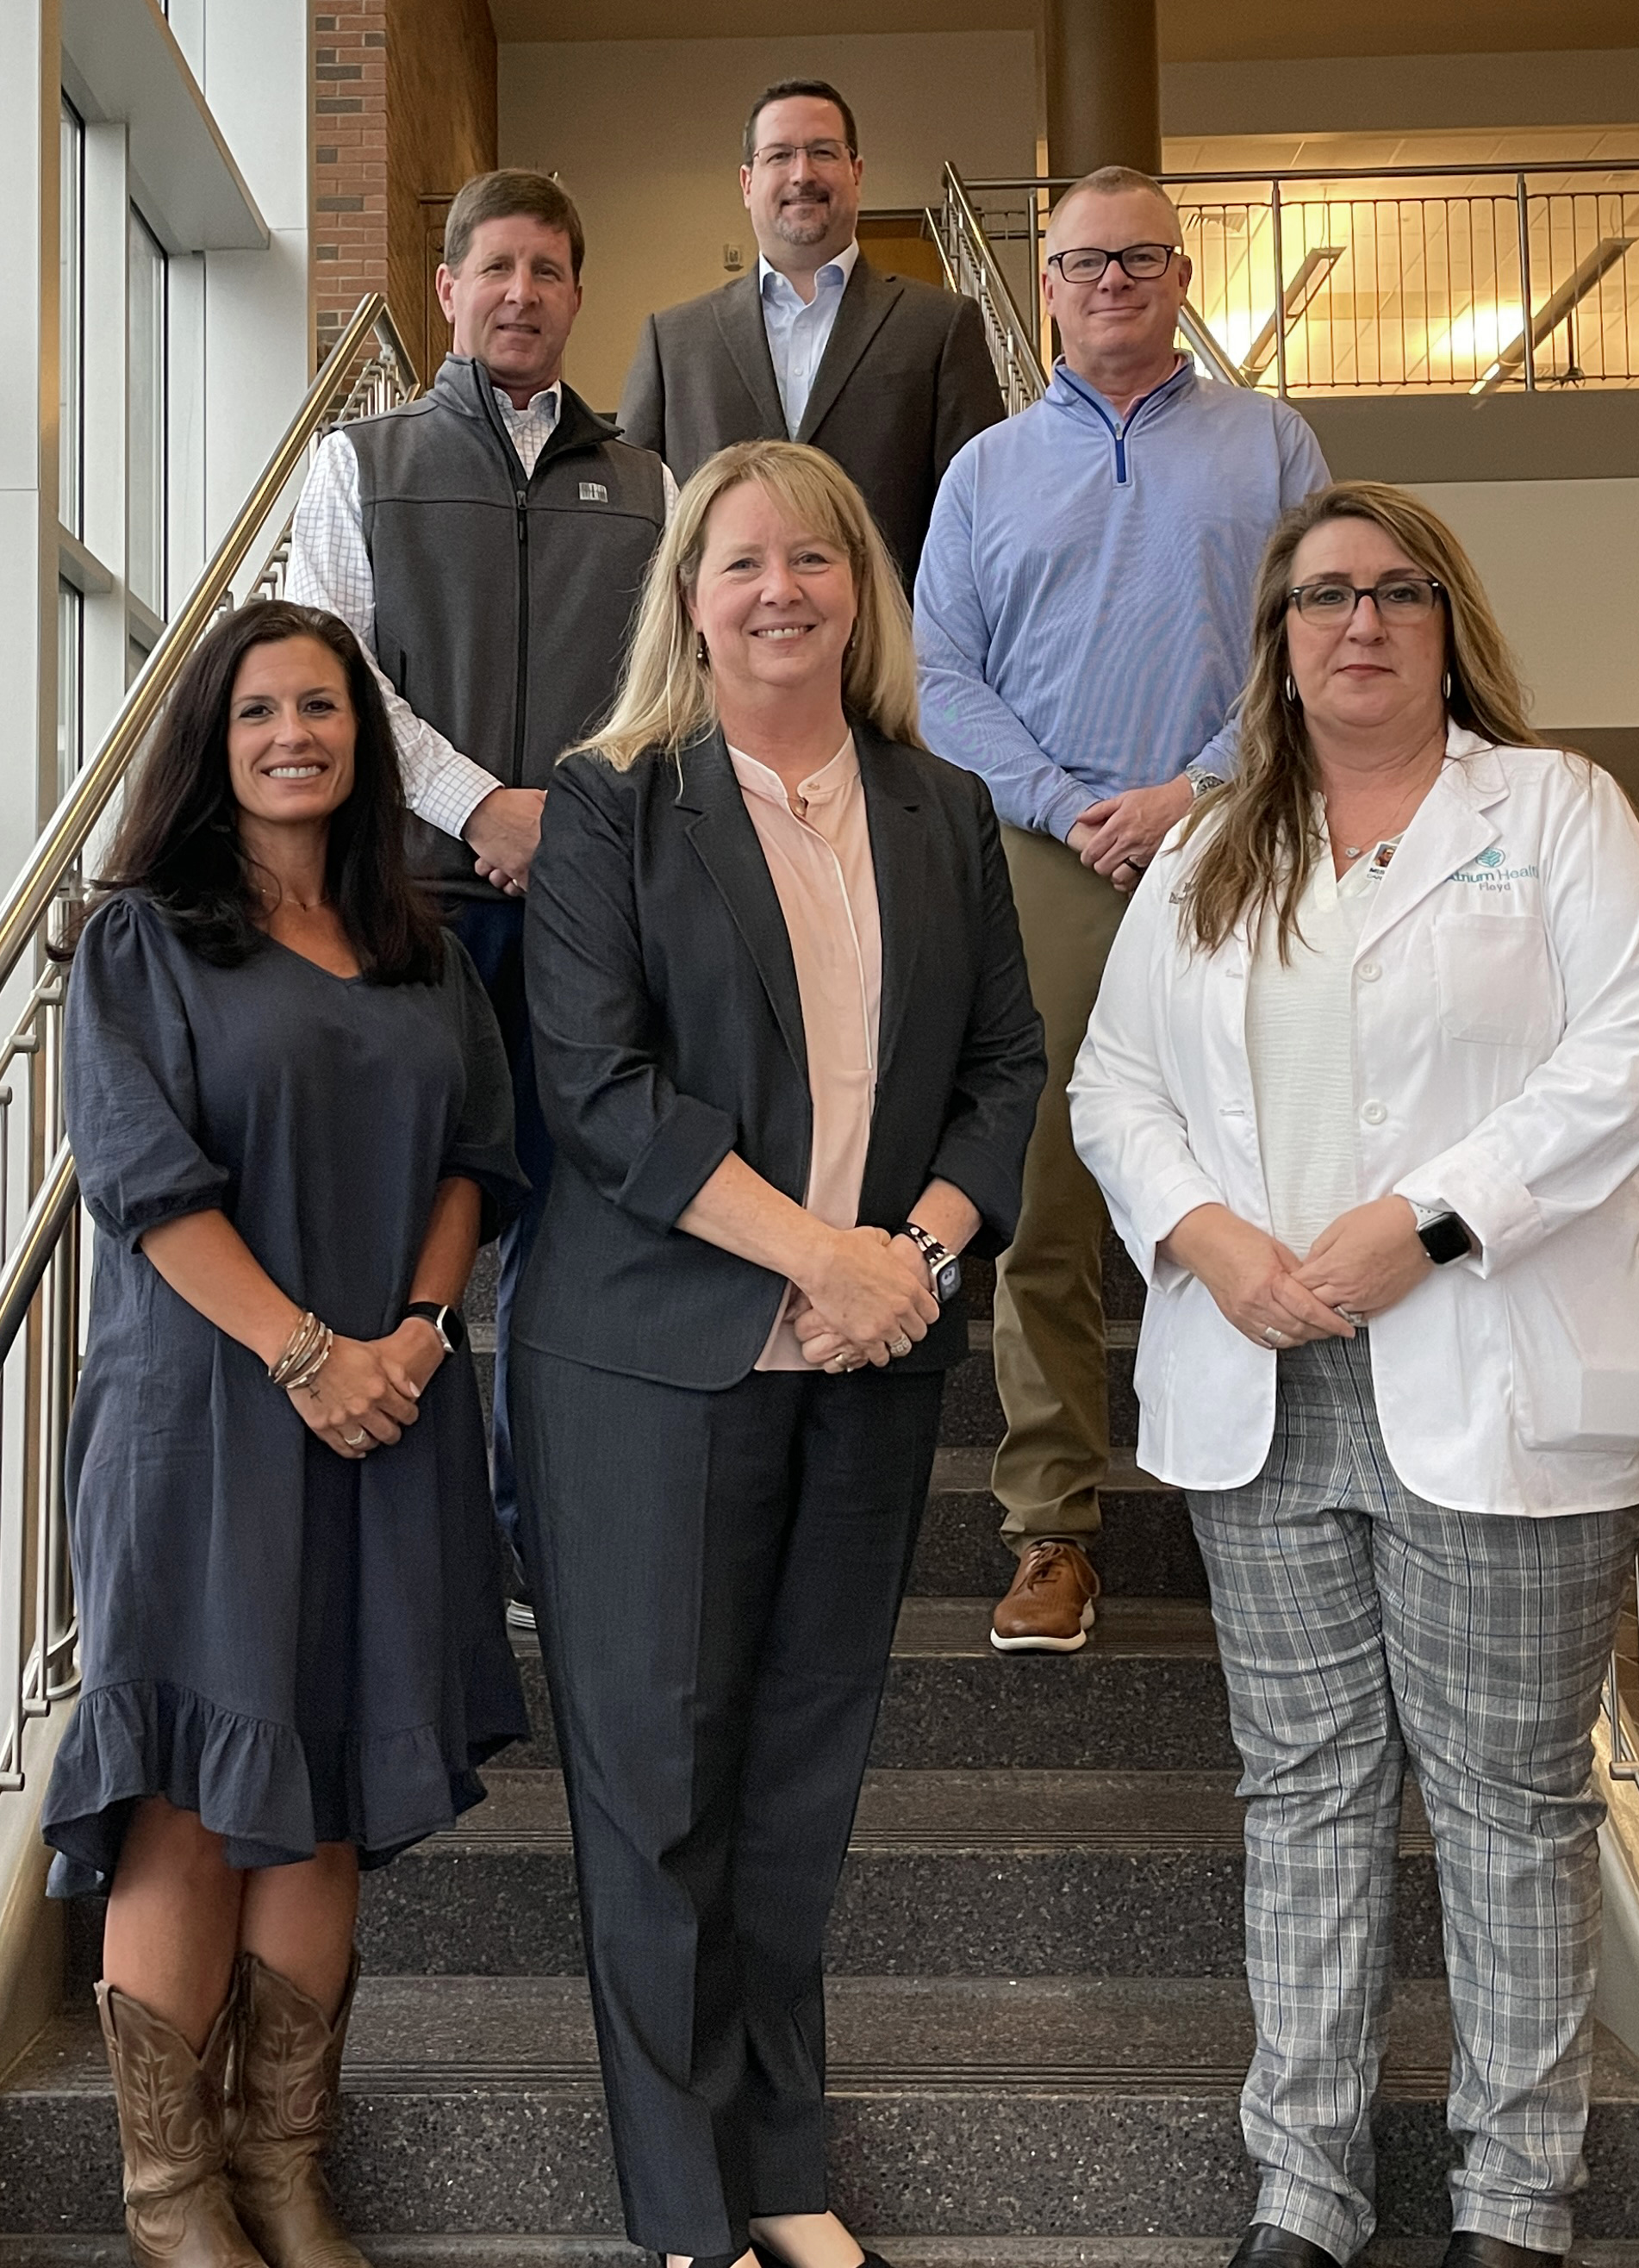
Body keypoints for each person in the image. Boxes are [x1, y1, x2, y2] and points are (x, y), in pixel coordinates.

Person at [1069, 481, 1639, 2268]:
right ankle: (1307, 2186)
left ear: (1449, 624)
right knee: (1308, 1785)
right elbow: (1114, 1084)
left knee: (1507, 1795)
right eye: (1325, 594)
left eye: (1399, 592)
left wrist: (1421, 1226)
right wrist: (1211, 1240)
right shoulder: (1211, 851)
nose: (1363, 621)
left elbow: (1636, 1049)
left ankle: (1517, 2199)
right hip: (1261, 1381)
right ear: (1273, 643)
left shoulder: (1556, 811)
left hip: (1488, 1377)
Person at [511, 439, 1044, 2268]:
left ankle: (787, 2169)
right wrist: (820, 1251)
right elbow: (598, 1093)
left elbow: (1002, 1074)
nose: (779, 590)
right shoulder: (611, 803)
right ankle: (686, 2213)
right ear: (690, 594)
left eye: (813, 559)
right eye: (742, 562)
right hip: (652, 1365)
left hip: (871, 1357)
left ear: (859, 591)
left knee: (800, 1782)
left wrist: (914, 1257)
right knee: (657, 1788)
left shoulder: (940, 805)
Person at [41, 600, 528, 2268]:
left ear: (361, 738)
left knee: (326, 1787)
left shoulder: (421, 948)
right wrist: (308, 1349)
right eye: (260, 711)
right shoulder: (145, 940)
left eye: (321, 707)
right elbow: (140, 1177)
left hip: (386, 1409)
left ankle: (278, 2167)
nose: (293, 735)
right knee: (190, 1786)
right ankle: (173, 2200)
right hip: (206, 1419)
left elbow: (478, 1157)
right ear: (214, 739)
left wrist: (406, 1336)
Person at [914, 163, 1330, 1652]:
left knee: (1261, 1173)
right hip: (1045, 857)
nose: (1112, 285)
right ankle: (1051, 1530)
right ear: (1045, 283)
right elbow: (938, 676)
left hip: (1239, 845)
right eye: (1085, 265)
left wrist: (1189, 794)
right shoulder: (983, 473)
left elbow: (1314, 638)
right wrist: (1064, 802)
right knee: (1043, 1193)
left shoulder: (1271, 443)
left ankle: (1281, 1503)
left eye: (1139, 260)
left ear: (1182, 273)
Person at [287, 167, 670, 1611]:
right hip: (405, 907)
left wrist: (561, 824)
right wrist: (473, 804)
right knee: (403, 1225)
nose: (520, 294)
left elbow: (669, 689)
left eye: (548, 271)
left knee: (571, 1237)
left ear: (580, 295)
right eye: (493, 267)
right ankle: (405, 1538)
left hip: (589, 916)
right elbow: (330, 675)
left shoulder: (649, 487)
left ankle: (539, 1533)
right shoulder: (355, 466)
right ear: (447, 288)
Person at [619, 78, 1004, 590]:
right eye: (779, 156)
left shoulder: (940, 326)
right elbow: (635, 529)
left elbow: (979, 518)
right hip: (718, 660)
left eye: (823, 152)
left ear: (856, 172)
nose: (802, 174)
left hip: (889, 657)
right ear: (747, 182)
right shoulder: (674, 343)